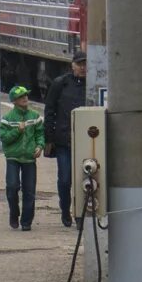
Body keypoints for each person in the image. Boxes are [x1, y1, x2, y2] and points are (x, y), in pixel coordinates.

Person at [44, 51, 87, 227]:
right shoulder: (60, 84)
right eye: (80, 64)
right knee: (64, 179)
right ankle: (64, 209)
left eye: (85, 64)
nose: (83, 67)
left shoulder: (93, 85)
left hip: (85, 141)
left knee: (83, 180)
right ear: (73, 65)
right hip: (64, 141)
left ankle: (79, 214)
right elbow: (49, 110)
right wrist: (49, 138)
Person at [0, 85, 44, 231]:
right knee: (12, 187)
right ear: (14, 101)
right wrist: (17, 131)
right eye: (21, 96)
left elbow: (40, 134)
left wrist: (40, 146)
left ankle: (26, 222)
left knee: (29, 190)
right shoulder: (7, 119)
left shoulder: (35, 116)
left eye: (26, 95)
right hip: (13, 157)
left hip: (30, 158)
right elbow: (4, 138)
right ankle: (14, 212)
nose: (25, 98)